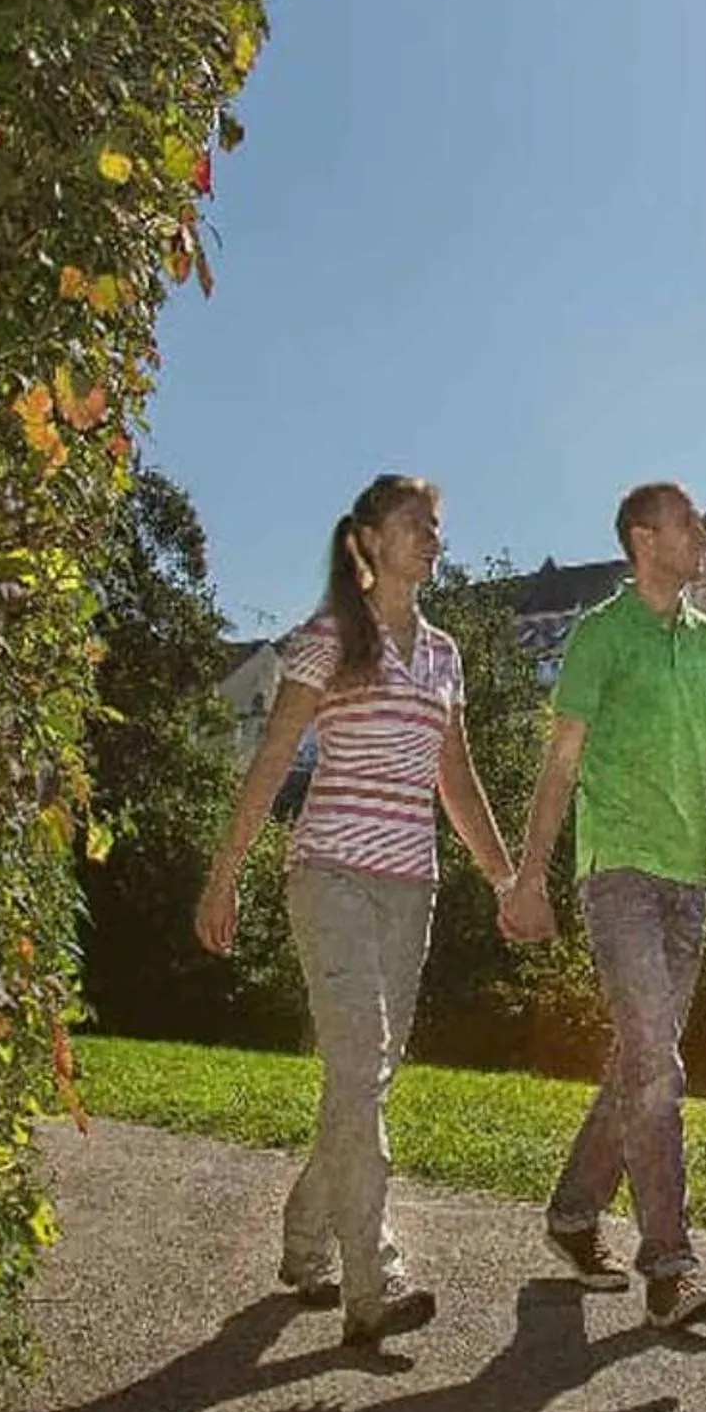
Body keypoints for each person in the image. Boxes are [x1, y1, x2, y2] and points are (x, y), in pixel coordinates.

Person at [196, 474, 515, 1348]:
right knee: (364, 1059)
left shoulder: (445, 655)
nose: (434, 537)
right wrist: (225, 873)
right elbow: (269, 760)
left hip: (411, 888)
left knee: (363, 1076)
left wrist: (504, 877)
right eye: (418, 523)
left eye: (438, 525)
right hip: (330, 874)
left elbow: (456, 779)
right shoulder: (327, 638)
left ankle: (306, 1241)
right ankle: (372, 1281)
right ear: (369, 540)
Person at [499, 480, 706, 1330]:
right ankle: (669, 1263)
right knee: (658, 1065)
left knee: (640, 1059)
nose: (702, 534)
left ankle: (571, 1215)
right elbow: (559, 767)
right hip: (618, 872)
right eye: (686, 524)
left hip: (688, 878)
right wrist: (530, 876)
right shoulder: (599, 636)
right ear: (643, 538)